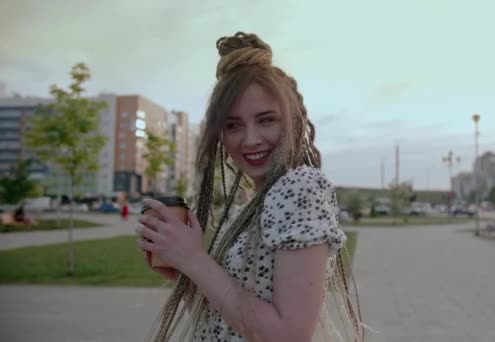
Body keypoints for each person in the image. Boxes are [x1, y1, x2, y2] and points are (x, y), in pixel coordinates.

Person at [135, 32, 364, 342]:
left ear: (292, 122)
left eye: (266, 120)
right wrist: (184, 271)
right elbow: (225, 323)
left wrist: (195, 260)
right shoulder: (253, 205)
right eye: (233, 125)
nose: (250, 139)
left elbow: (288, 335)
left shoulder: (299, 188)